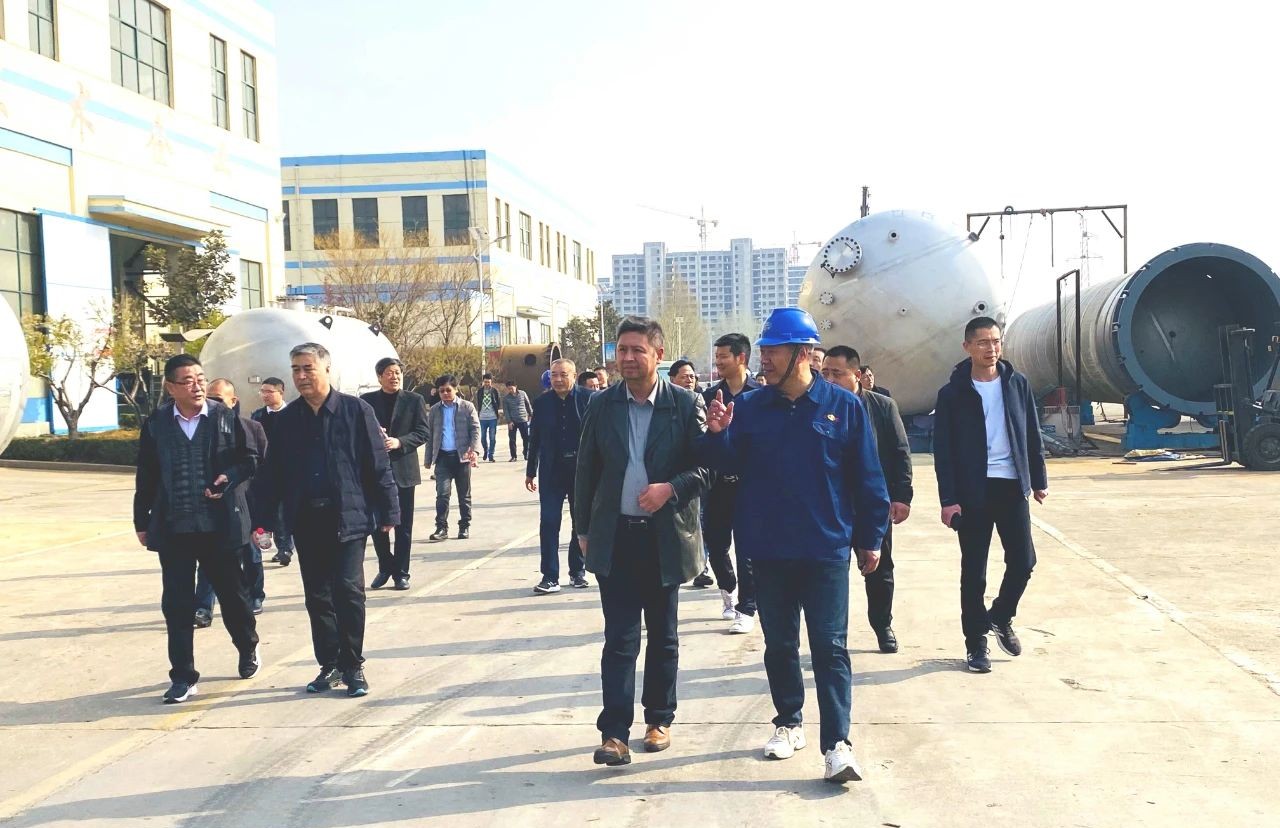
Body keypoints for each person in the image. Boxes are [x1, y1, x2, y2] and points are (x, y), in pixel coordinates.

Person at [702, 307, 889, 784]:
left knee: (830, 648)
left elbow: (868, 477)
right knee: (780, 645)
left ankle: (838, 745)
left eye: (774, 351)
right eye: (763, 350)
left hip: (826, 549)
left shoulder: (843, 406)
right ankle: (788, 722)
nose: (764, 359)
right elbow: (726, 467)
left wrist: (870, 538)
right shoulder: (749, 408)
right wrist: (718, 436)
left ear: (803, 353)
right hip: (767, 549)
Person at [576, 316, 710, 767]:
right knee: (619, 639)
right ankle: (614, 733)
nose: (628, 358)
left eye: (637, 350)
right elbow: (586, 470)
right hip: (615, 536)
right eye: (622, 350)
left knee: (663, 636)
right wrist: (583, 530)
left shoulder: (684, 403)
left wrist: (670, 488)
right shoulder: (602, 404)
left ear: (658, 354)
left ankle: (659, 719)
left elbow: (705, 469)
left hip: (663, 537)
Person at [256, 342, 399, 697]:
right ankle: (330, 663)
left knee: (348, 591)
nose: (301, 376)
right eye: (296, 369)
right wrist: (263, 520)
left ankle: (353, 664)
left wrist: (389, 510)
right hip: (306, 519)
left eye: (308, 368)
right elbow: (273, 473)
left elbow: (377, 464)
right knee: (317, 596)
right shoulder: (288, 420)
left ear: (327, 369)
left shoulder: (356, 411)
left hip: (348, 517)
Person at [134, 354, 261, 704]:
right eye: (188, 380)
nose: (197, 386)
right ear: (171, 387)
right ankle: (183, 676)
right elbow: (146, 474)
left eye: (200, 378)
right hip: (174, 527)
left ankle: (248, 646)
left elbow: (249, 460)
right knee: (177, 604)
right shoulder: (157, 424)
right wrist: (141, 521)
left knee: (233, 597)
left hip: (218, 527)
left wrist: (228, 478)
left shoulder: (224, 417)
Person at [933, 316, 1048, 674]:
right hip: (973, 490)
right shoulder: (952, 393)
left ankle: (1000, 615)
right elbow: (943, 451)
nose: (991, 348)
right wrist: (948, 499)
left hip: (1011, 485)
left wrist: (1038, 478)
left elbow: (1031, 432)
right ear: (967, 346)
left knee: (1024, 561)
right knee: (974, 571)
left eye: (996, 341)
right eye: (983, 342)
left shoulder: (1017, 383)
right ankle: (976, 644)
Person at [821, 346, 913, 653]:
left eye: (837, 373)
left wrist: (901, 497)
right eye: (825, 373)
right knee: (831, 572)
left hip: (873, 504)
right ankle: (833, 636)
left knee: (879, 570)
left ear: (857, 375)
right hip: (832, 507)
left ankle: (882, 625)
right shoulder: (818, 406)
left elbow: (900, 453)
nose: (829, 380)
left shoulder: (882, 406)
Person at [193, 379, 269, 620]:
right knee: (209, 559)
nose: (213, 403)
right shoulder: (199, 429)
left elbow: (262, 466)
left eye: (218, 399)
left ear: (233, 401)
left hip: (245, 502)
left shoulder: (251, 427)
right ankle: (203, 607)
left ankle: (255, 595)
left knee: (251, 555)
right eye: (210, 398)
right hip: (212, 505)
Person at [701, 333, 760, 632]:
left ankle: (747, 608)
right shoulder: (710, 396)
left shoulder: (761, 394)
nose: (718, 362)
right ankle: (729, 589)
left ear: (741, 358)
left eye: (723, 356)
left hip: (750, 486)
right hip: (717, 484)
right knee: (716, 543)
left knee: (747, 548)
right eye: (717, 357)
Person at [361, 358, 429, 591]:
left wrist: (400, 442)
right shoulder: (367, 402)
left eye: (398, 372)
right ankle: (385, 566)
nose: (395, 376)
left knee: (403, 526)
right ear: (380, 376)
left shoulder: (414, 400)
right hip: (375, 472)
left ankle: (401, 573)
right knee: (377, 524)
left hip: (403, 470)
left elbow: (423, 432)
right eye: (389, 373)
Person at [526, 358, 593, 593]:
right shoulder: (542, 403)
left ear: (574, 376)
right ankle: (550, 576)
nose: (558, 379)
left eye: (563, 375)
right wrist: (530, 471)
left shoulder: (589, 399)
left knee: (579, 521)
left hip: (581, 471)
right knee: (549, 521)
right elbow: (535, 439)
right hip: (551, 471)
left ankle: (577, 571)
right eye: (554, 375)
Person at [424, 374, 480, 541]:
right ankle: (441, 527)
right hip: (442, 458)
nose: (445, 394)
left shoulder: (467, 407)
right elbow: (430, 435)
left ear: (456, 389)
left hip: (461, 457)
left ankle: (464, 526)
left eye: (448, 390)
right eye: (442, 391)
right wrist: (428, 459)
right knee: (442, 494)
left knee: (464, 495)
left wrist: (474, 451)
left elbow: (475, 430)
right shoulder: (435, 410)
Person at [251, 378, 293, 566]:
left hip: (288, 471)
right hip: (265, 471)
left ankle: (285, 548)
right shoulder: (258, 415)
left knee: (283, 512)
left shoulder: (293, 413)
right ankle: (274, 545)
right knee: (268, 510)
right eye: (262, 391)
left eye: (269, 391)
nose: (264, 395)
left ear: (281, 392)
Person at [502, 379, 533, 462]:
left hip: (523, 420)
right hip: (513, 421)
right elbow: (506, 411)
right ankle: (513, 456)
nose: (510, 390)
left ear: (515, 387)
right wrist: (509, 422)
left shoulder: (523, 394)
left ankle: (526, 453)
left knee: (526, 438)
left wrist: (531, 414)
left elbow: (528, 404)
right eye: (508, 389)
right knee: (512, 439)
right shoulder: (506, 399)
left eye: (511, 388)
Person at [476, 373, 502, 463]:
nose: (487, 384)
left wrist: (496, 412)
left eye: (488, 382)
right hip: (482, 417)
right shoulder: (480, 391)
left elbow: (498, 402)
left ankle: (491, 455)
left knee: (492, 437)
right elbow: (478, 403)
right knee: (483, 437)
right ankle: (485, 450)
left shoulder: (495, 391)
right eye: (485, 382)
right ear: (483, 382)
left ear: (491, 382)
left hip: (492, 417)